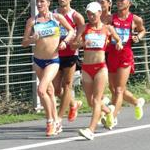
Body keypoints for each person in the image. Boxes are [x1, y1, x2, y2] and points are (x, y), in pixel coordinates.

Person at [71, 2, 123, 140]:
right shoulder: (84, 28)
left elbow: (118, 40)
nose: (91, 16)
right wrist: (82, 44)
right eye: (88, 13)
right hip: (87, 68)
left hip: (100, 68)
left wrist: (118, 43)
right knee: (90, 101)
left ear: (100, 13)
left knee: (96, 100)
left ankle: (91, 130)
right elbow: (72, 45)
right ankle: (109, 112)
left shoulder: (108, 29)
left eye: (93, 13)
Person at [22, 0, 74, 136]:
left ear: (48, 3)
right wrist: (32, 39)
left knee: (41, 89)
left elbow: (71, 30)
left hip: (53, 61)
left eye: (42, 1)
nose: (39, 4)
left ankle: (50, 121)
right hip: (38, 61)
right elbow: (24, 42)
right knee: (49, 92)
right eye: (38, 2)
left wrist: (65, 42)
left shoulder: (57, 18)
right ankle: (57, 122)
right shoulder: (32, 21)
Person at [106, 0, 146, 129]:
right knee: (113, 89)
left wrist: (138, 37)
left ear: (129, 2)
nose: (119, 2)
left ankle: (113, 117)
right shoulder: (110, 18)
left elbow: (142, 30)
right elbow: (102, 29)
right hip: (112, 55)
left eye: (122, 0)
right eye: (117, 0)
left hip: (125, 55)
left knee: (119, 89)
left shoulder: (135, 19)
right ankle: (136, 102)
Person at [53, 0, 85, 125]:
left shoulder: (76, 16)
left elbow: (82, 34)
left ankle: (59, 118)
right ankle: (73, 104)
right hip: (55, 54)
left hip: (70, 54)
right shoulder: (53, 14)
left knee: (67, 84)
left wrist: (76, 42)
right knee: (56, 89)